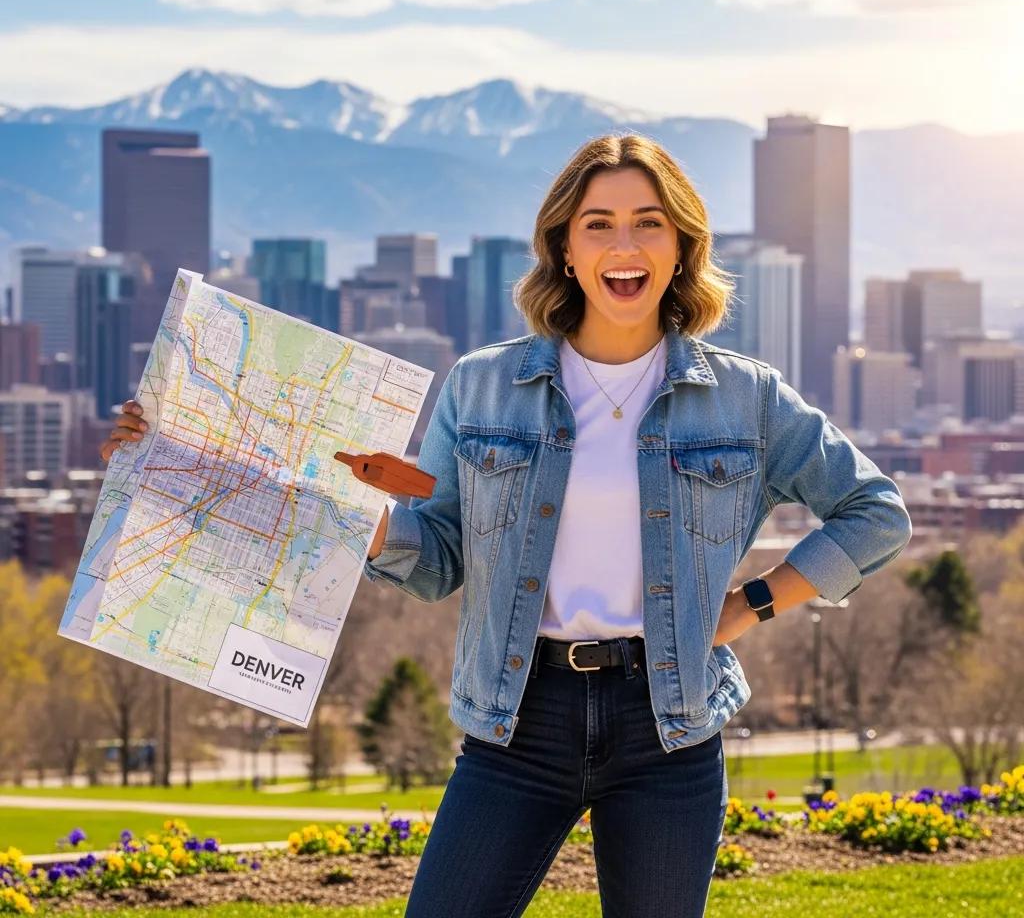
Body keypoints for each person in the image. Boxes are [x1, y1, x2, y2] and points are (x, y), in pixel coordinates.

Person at [101, 133, 913, 917]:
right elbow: (443, 554)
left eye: (648, 223)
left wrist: (753, 605)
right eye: (598, 224)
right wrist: (180, 446)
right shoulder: (484, 386)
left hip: (670, 727)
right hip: (515, 720)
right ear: (565, 247)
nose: (622, 245)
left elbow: (876, 513)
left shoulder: (748, 399)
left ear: (680, 247)